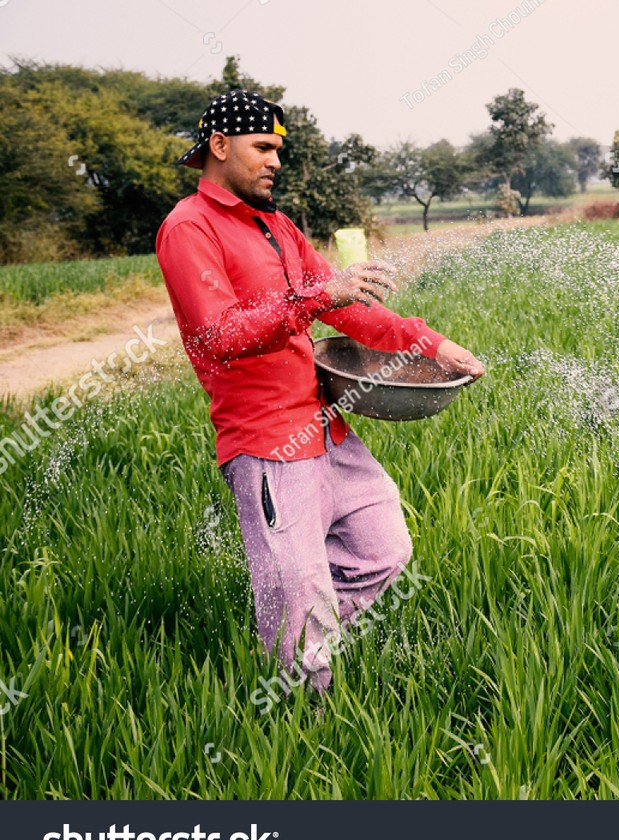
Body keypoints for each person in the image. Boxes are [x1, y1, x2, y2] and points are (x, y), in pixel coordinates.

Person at [155, 88, 484, 696]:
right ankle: (302, 717)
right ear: (219, 148)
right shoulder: (188, 228)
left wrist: (428, 343)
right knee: (297, 601)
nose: (275, 160)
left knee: (384, 550)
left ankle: (305, 638)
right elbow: (217, 336)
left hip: (326, 424)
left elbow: (346, 311)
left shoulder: (276, 225)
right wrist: (319, 296)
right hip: (266, 443)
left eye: (278, 149)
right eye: (262, 148)